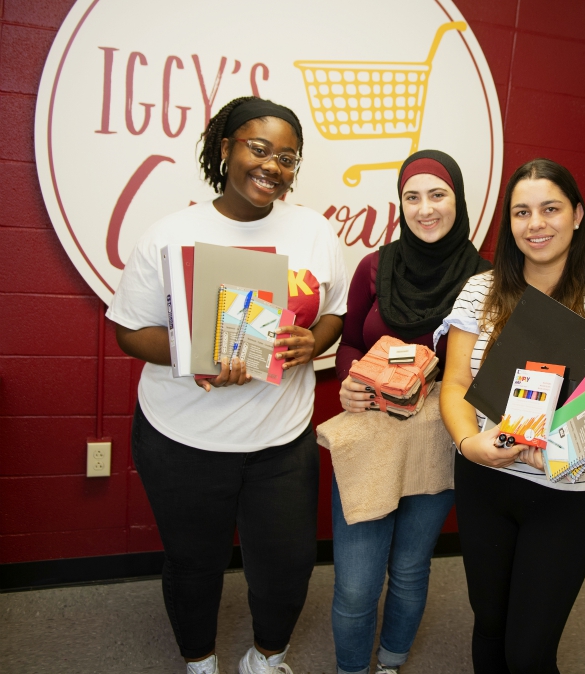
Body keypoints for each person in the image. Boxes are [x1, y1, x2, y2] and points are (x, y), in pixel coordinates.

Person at [107, 97, 349, 674]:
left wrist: (313, 342)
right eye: (257, 148)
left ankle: (267, 658)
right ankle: (200, 661)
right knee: (193, 563)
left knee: (288, 564)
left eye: (287, 157)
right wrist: (196, 356)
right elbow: (129, 332)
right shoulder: (171, 234)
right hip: (183, 437)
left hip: (281, 441)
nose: (272, 166)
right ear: (225, 148)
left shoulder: (314, 232)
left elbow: (334, 312)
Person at [437, 158, 585, 673]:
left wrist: (557, 453)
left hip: (566, 493)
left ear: (577, 214)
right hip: (486, 480)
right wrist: (471, 445)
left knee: (529, 651)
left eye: (550, 209)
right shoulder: (480, 292)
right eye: (521, 212)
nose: (536, 224)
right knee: (488, 625)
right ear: (508, 225)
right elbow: (456, 384)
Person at [332, 150, 490, 674]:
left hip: (436, 438)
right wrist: (351, 381)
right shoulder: (374, 267)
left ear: (458, 200)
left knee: (408, 568)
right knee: (356, 581)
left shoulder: (484, 281)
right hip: (369, 435)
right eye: (412, 196)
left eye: (437, 194)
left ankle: (391, 663)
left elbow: (490, 372)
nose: (425, 209)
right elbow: (350, 344)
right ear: (400, 204)